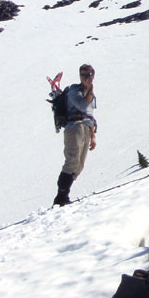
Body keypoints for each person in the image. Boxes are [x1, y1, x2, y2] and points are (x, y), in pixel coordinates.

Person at [53, 63, 97, 207]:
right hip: (74, 127)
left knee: (79, 165)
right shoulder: (74, 90)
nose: (86, 78)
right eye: (83, 75)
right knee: (72, 161)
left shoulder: (90, 92)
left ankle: (65, 195)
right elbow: (83, 106)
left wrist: (93, 135)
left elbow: (89, 114)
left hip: (85, 128)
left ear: (93, 76)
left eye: (88, 75)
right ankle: (60, 197)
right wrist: (90, 89)